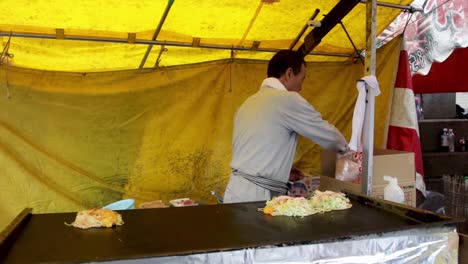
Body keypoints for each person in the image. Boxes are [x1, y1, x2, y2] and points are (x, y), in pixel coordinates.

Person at [223, 50, 349, 203]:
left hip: (235, 190)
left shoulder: (248, 103)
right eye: (302, 79)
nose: (301, 87)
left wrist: (282, 170)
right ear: (289, 73)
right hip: (257, 195)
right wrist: (351, 153)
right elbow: (330, 137)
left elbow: (256, 149)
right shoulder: (287, 100)